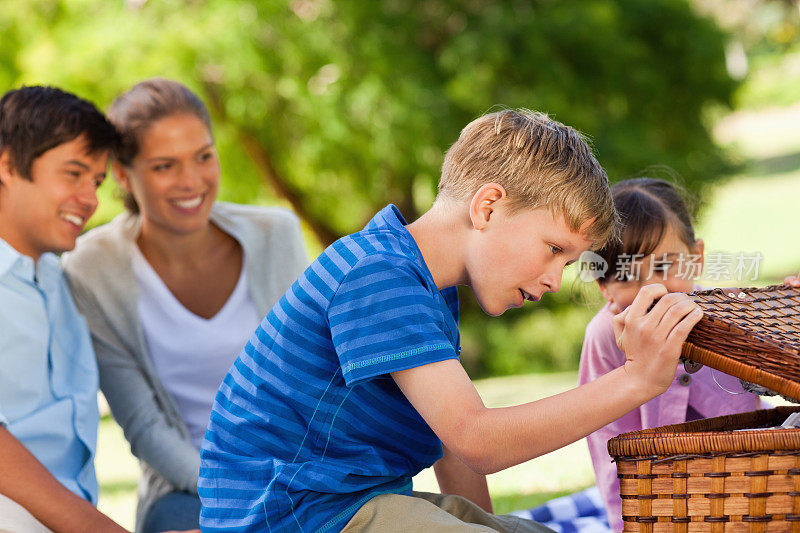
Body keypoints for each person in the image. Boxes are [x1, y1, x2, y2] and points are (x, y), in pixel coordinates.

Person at [198, 109, 705, 532]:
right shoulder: (379, 275)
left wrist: (484, 525)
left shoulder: (424, 283)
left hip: (343, 506)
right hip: (292, 517)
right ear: (487, 207)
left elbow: (450, 443)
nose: (555, 279)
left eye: (568, 262)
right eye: (553, 249)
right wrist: (637, 379)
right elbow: (476, 439)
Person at [62, 79, 308, 533]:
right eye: (164, 166)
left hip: (303, 475)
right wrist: (243, 488)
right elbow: (144, 426)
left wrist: (303, 481)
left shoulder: (277, 234)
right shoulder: (90, 271)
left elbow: (316, 380)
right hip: (186, 489)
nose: (191, 181)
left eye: (203, 156)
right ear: (122, 175)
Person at [577, 177, 762, 533]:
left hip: (753, 486)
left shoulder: (728, 313)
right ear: (603, 285)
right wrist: (630, 524)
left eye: (664, 267)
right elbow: (608, 446)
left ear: (697, 259)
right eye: (628, 275)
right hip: (659, 505)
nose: (652, 289)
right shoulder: (604, 336)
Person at [0, 86, 125, 532]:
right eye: (73, 174)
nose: (90, 198)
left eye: (96, 182)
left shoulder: (67, 283)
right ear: (9, 165)